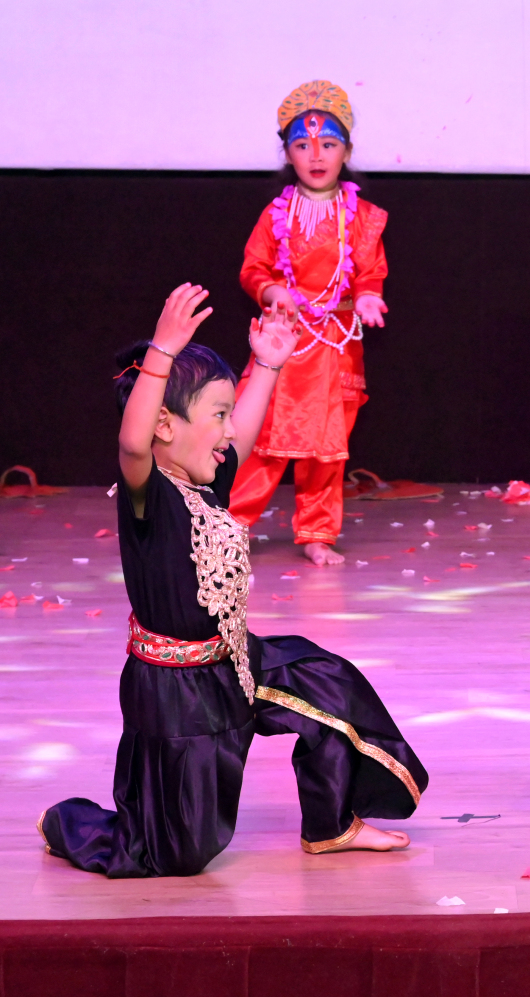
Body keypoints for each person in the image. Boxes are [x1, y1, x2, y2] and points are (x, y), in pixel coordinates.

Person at [39, 284, 426, 878]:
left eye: (227, 413)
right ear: (165, 425)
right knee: (178, 852)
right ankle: (69, 822)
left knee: (330, 687)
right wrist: (163, 350)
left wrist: (267, 364)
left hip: (236, 662)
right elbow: (132, 443)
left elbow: (239, 441)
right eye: (217, 415)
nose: (227, 432)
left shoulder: (203, 480)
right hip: (176, 695)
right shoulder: (148, 497)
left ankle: (330, 826)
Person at [229, 81, 391, 567]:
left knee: (327, 448)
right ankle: (231, 527)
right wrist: (272, 291)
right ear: (288, 154)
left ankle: (317, 533)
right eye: (302, 145)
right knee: (261, 441)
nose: (316, 155)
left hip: (336, 345)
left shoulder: (362, 218)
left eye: (328, 144)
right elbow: (253, 268)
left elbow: (371, 270)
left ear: (347, 152)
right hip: (285, 342)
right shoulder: (276, 214)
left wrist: (368, 296)